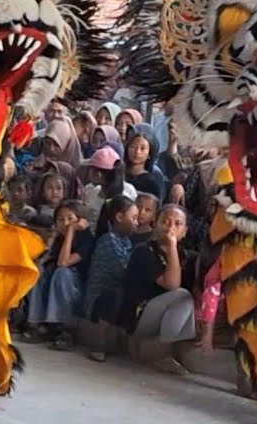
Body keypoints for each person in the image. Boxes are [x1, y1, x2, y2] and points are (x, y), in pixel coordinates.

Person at [119, 204, 194, 374]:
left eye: (177, 224)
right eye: (165, 222)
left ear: (185, 231)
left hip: (160, 314)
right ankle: (161, 353)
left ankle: (171, 349)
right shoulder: (145, 252)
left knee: (190, 299)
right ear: (155, 225)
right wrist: (172, 247)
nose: (171, 228)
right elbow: (172, 284)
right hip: (139, 315)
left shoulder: (185, 256)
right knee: (182, 295)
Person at [24, 201, 94, 350]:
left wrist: (70, 231)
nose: (66, 223)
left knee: (62, 273)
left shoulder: (87, 239)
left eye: (70, 218)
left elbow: (64, 262)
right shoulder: (59, 239)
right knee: (40, 272)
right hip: (56, 289)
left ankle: (65, 330)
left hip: (78, 293)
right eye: (61, 220)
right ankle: (36, 324)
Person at [84, 195, 138, 362]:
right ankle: (98, 344)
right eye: (134, 218)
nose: (137, 222)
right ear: (120, 217)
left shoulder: (127, 242)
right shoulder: (107, 241)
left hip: (118, 295)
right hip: (100, 300)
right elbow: (122, 272)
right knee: (115, 295)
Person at [125, 128, 166, 200]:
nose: (137, 152)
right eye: (133, 147)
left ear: (149, 154)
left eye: (142, 148)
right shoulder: (119, 175)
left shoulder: (151, 184)